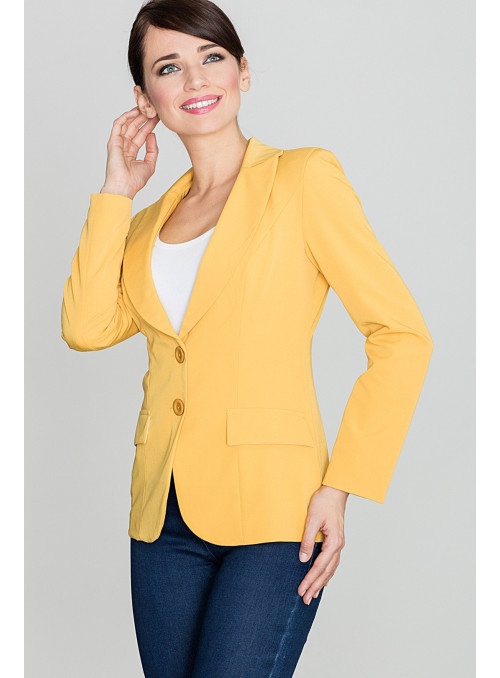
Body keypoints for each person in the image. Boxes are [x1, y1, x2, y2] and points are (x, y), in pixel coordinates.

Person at [60, 0, 434, 676]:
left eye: (213, 57)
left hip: (277, 510)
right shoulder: (145, 225)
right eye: (169, 67)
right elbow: (86, 329)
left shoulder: (302, 179)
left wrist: (342, 485)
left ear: (244, 71)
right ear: (145, 97)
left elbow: (402, 334)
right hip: (163, 517)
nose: (196, 79)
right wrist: (116, 191)